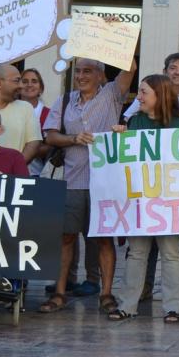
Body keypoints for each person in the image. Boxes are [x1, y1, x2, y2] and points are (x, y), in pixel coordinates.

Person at [39, 58, 136, 315]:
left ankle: (106, 293)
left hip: (103, 182)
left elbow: (130, 70)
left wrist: (119, 36)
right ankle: (59, 292)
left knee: (104, 240)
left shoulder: (111, 96)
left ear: (101, 75)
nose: (81, 76)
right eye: (78, 71)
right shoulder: (64, 100)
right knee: (66, 237)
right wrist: (73, 138)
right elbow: (49, 135)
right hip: (72, 181)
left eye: (88, 71)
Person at [108, 74, 179, 323]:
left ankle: (173, 307)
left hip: (169, 201)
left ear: (159, 95)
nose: (139, 97)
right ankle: (127, 305)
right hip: (141, 200)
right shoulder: (135, 121)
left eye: (144, 92)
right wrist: (119, 137)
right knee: (136, 252)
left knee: (171, 252)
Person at [124, 52, 179, 119]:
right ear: (164, 72)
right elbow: (127, 119)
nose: (178, 72)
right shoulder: (148, 96)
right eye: (173, 68)